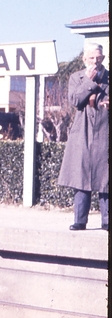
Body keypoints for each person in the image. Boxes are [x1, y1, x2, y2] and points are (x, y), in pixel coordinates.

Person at [57, 43, 109, 231]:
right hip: (82, 133)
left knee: (106, 179)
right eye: (92, 58)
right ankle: (80, 220)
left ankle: (107, 220)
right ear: (84, 59)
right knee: (81, 178)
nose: (96, 62)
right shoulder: (76, 77)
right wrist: (89, 80)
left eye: (99, 58)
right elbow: (75, 101)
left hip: (105, 131)